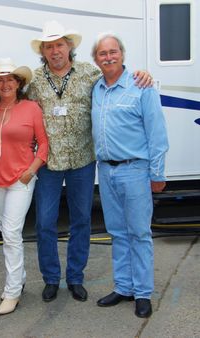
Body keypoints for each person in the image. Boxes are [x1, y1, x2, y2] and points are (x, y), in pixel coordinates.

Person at [26, 20, 153, 303]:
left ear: (70, 46)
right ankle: (50, 279)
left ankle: (75, 278)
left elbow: (116, 78)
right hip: (48, 162)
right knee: (45, 222)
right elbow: (15, 102)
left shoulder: (90, 74)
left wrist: (143, 75)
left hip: (83, 161)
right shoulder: (33, 81)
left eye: (59, 44)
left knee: (81, 221)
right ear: (43, 51)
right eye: (49, 46)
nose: (55, 50)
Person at [90, 33, 169, 318]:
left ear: (122, 54)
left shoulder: (141, 86)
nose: (108, 57)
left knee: (139, 233)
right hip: (106, 170)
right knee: (117, 232)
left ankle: (143, 293)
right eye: (102, 53)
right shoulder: (96, 88)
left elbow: (157, 133)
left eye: (113, 52)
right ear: (96, 59)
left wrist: (157, 173)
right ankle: (124, 287)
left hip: (135, 170)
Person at [0, 58, 48, 315]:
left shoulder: (31, 108)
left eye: (10, 78)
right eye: (0, 79)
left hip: (21, 180)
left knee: (11, 233)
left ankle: (12, 292)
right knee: (6, 231)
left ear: (19, 82)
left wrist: (30, 171)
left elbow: (43, 144)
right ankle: (18, 278)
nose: (5, 83)